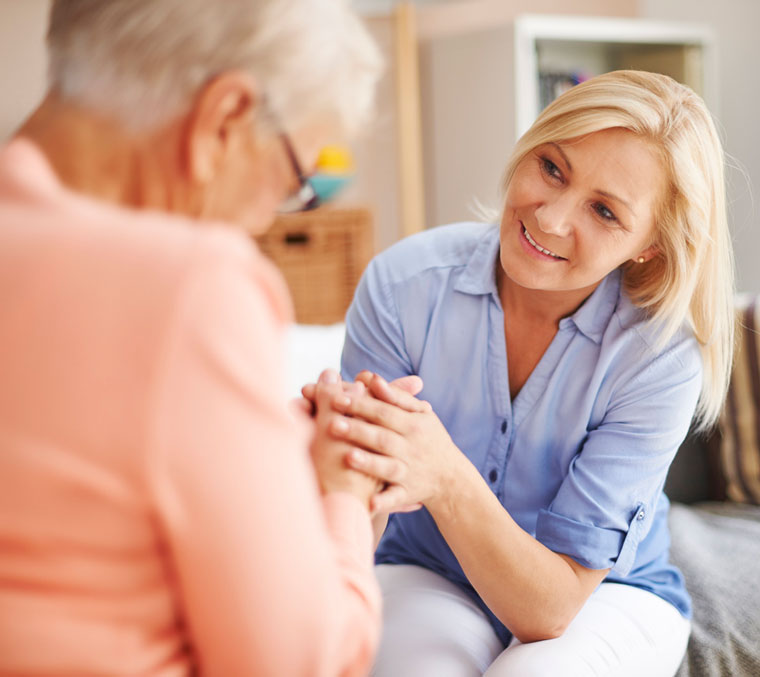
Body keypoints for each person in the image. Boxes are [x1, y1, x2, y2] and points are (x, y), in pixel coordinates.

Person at [0, 1, 391, 675]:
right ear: (226, 117)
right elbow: (298, 661)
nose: (269, 218)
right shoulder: (191, 286)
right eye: (293, 180)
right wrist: (343, 496)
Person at [318, 70, 734, 676]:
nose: (551, 218)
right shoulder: (403, 284)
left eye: (604, 211)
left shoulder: (659, 357)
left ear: (651, 246)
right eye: (552, 168)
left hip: (605, 598)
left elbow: (550, 609)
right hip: (428, 570)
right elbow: (358, 514)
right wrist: (338, 462)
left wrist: (443, 473)